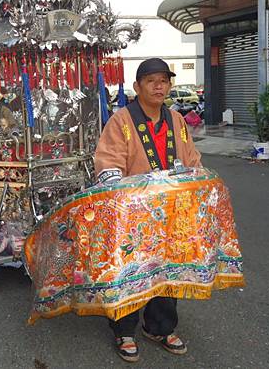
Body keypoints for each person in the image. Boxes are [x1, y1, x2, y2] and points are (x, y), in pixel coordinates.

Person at [94, 58, 202, 363]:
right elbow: (108, 159)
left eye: (164, 81)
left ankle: (160, 326)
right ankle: (124, 330)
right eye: (152, 81)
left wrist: (199, 178)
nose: (159, 86)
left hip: (171, 211)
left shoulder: (177, 121)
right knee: (131, 272)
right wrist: (117, 186)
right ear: (137, 86)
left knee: (168, 271)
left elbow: (192, 158)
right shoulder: (122, 120)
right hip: (134, 213)